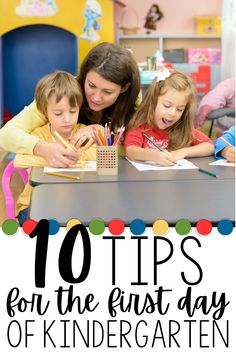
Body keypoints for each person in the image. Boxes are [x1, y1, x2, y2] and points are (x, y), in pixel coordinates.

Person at [0, 42, 141, 166]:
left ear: (124, 88)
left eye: (108, 92)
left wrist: (102, 135)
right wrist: (44, 149)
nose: (96, 98)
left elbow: (139, 146)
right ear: (84, 75)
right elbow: (6, 135)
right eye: (91, 85)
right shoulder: (63, 94)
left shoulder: (132, 99)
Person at [14, 71, 96, 225]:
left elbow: (98, 155)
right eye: (58, 113)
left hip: (76, 201)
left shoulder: (82, 132)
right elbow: (19, 161)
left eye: (73, 111)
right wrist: (49, 156)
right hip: (36, 203)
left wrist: (77, 156)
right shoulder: (38, 135)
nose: (67, 119)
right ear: (45, 112)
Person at [124, 69, 214, 166]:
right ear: (153, 102)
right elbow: (131, 151)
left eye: (180, 109)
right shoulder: (141, 126)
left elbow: (209, 146)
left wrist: (183, 152)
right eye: (167, 106)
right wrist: (154, 156)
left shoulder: (181, 128)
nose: (173, 113)